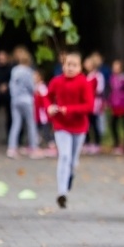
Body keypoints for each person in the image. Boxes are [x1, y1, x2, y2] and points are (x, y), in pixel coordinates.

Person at [47, 52, 94, 209]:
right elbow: (47, 97)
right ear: (63, 66)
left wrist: (70, 109)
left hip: (79, 127)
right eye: (68, 64)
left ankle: (69, 176)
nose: (70, 68)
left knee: (73, 161)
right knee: (64, 156)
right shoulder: (56, 81)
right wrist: (49, 107)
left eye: (74, 65)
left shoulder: (84, 83)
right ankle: (62, 193)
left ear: (80, 68)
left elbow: (89, 106)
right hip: (61, 125)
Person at [6, 46, 41, 159]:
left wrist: (14, 96)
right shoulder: (28, 71)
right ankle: (33, 148)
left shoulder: (14, 70)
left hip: (15, 100)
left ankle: (12, 148)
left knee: (16, 123)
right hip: (27, 100)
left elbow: (11, 85)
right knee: (31, 124)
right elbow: (31, 87)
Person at [108, 59, 124, 155]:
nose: (115, 68)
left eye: (117, 66)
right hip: (115, 105)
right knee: (113, 124)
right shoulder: (112, 78)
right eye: (114, 66)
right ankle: (116, 143)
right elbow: (111, 91)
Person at [83, 55, 105, 155]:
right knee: (87, 123)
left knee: (95, 122)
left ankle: (97, 143)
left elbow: (99, 90)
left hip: (95, 102)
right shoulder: (88, 76)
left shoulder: (98, 76)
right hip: (88, 102)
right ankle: (87, 142)